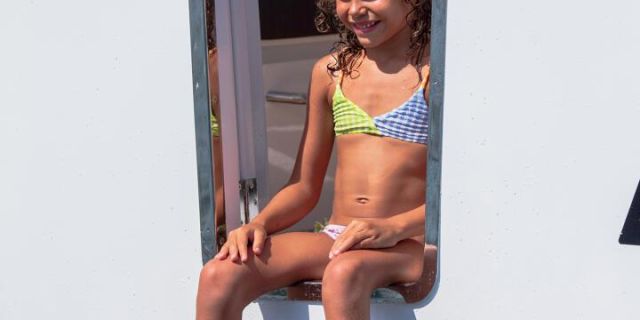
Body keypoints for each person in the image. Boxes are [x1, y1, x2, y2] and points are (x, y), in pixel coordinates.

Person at [196, 0, 431, 319]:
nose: (356, 9)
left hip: (409, 243)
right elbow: (304, 188)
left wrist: (393, 227)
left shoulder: (433, 73)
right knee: (221, 273)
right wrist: (258, 225)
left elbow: (456, 197)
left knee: (344, 273)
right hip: (338, 237)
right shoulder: (331, 73)